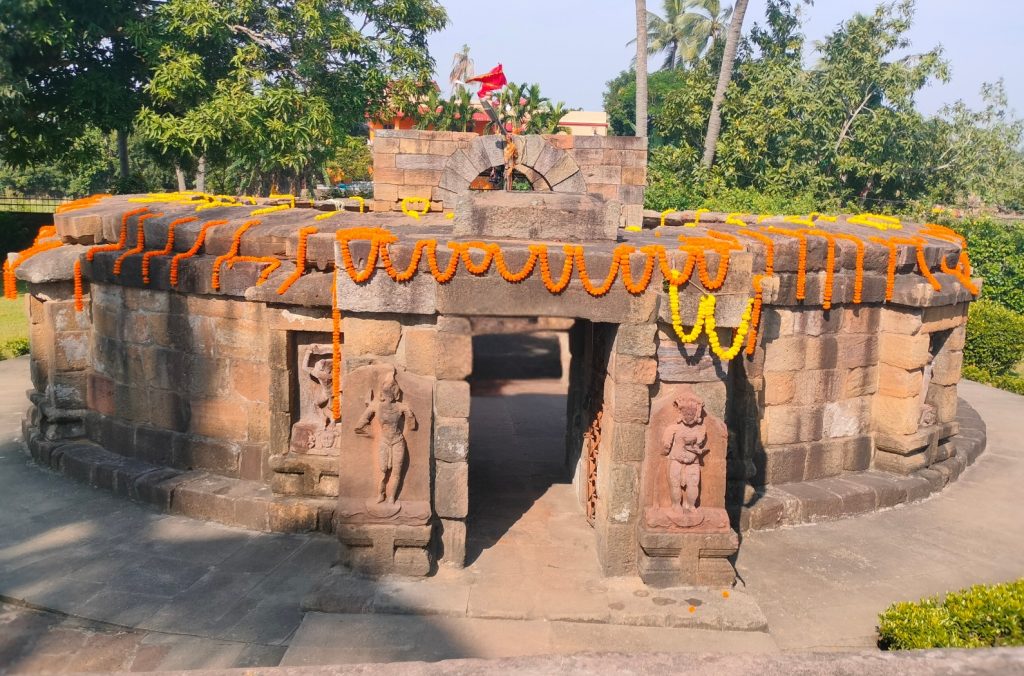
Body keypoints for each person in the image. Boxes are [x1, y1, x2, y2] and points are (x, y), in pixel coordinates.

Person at [355, 369, 417, 504]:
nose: (389, 394)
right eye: (386, 391)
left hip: (398, 441)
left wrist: (409, 413)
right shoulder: (376, 406)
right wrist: (370, 433)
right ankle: (381, 494)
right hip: (384, 441)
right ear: (382, 393)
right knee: (383, 470)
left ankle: (392, 498)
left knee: (396, 472)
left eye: (392, 391)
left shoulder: (401, 407)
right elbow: (359, 425)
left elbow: (412, 426)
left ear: (396, 394)